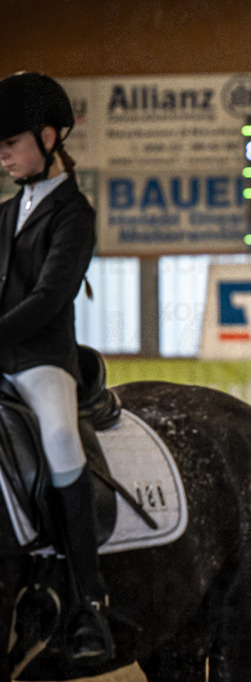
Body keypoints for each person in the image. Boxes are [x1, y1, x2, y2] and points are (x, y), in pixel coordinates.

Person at [0, 71, 113, 660]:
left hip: (41, 360)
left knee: (62, 440)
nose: (3, 155)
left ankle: (88, 602)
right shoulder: (3, 212)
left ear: (47, 139)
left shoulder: (75, 212)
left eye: (11, 143)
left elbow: (48, 298)